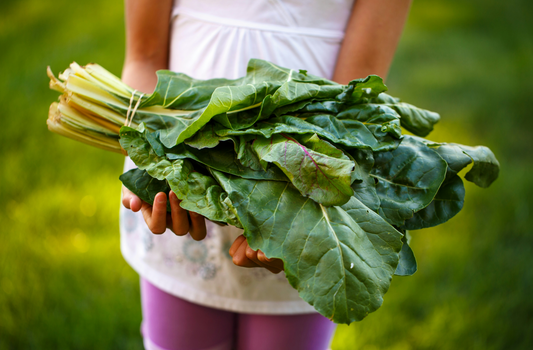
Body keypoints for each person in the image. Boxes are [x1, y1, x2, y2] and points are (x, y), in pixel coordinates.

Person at [120, 1, 412, 349]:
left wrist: (300, 228)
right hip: (181, 197)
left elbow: (349, 106)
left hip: (304, 206)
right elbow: (144, 57)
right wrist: (152, 158)